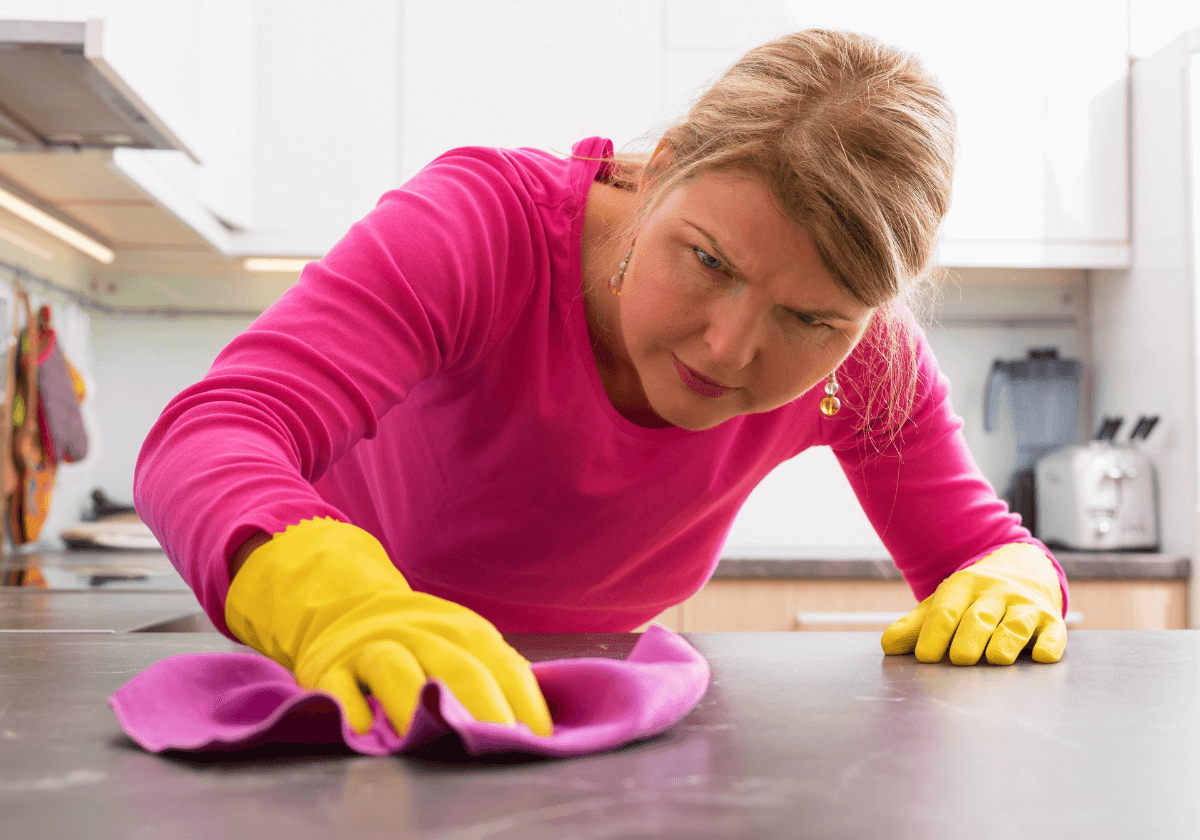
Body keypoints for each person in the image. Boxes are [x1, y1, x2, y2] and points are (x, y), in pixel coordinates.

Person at [135, 29, 1069, 740]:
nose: (730, 347)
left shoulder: (867, 360)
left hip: (584, 728)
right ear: (657, 173)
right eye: (707, 259)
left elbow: (986, 554)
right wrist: (337, 603)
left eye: (810, 320)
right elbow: (212, 433)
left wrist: (1016, 582)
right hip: (344, 689)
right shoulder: (482, 229)